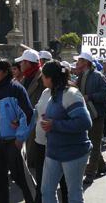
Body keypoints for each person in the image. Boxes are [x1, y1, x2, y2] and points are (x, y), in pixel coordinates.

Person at [40, 60, 93, 203]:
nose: (42, 79)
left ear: (50, 78)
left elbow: (85, 122)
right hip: (54, 152)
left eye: (43, 76)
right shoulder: (54, 93)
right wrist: (50, 120)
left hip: (73, 153)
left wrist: (54, 124)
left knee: (74, 194)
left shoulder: (71, 94)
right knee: (46, 191)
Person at [0, 59, 35, 203]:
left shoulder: (16, 89)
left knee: (22, 179)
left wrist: (20, 138)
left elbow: (28, 114)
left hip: (13, 142)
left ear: (6, 72)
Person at [73, 52, 106, 185]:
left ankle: (90, 174)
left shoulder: (97, 76)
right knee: (92, 144)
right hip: (85, 115)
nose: (77, 62)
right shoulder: (80, 76)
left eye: (80, 60)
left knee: (94, 145)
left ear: (86, 62)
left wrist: (90, 97)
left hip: (96, 116)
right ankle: (100, 167)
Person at [16, 49, 44, 168]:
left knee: (35, 155)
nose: (20, 65)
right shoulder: (24, 78)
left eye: (22, 62)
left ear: (28, 63)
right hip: (25, 119)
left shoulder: (42, 78)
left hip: (39, 120)